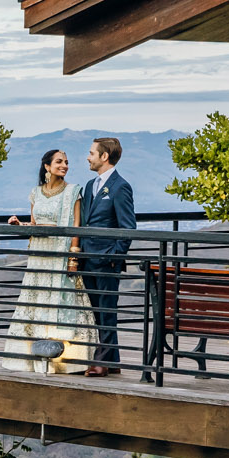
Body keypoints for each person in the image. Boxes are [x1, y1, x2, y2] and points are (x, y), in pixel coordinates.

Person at [2, 148, 96, 373]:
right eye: (59, 162)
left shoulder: (73, 192)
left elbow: (75, 226)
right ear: (47, 167)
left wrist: (73, 256)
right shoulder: (35, 193)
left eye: (66, 162)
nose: (64, 165)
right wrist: (20, 225)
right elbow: (35, 224)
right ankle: (34, 356)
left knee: (61, 300)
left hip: (59, 253)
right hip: (39, 256)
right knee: (36, 301)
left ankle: (66, 360)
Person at [77, 136, 135, 376]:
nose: (88, 157)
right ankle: (113, 361)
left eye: (92, 153)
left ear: (105, 157)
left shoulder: (121, 187)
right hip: (87, 259)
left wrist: (115, 256)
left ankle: (100, 362)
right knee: (97, 312)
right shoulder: (90, 186)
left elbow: (128, 227)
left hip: (107, 261)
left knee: (107, 311)